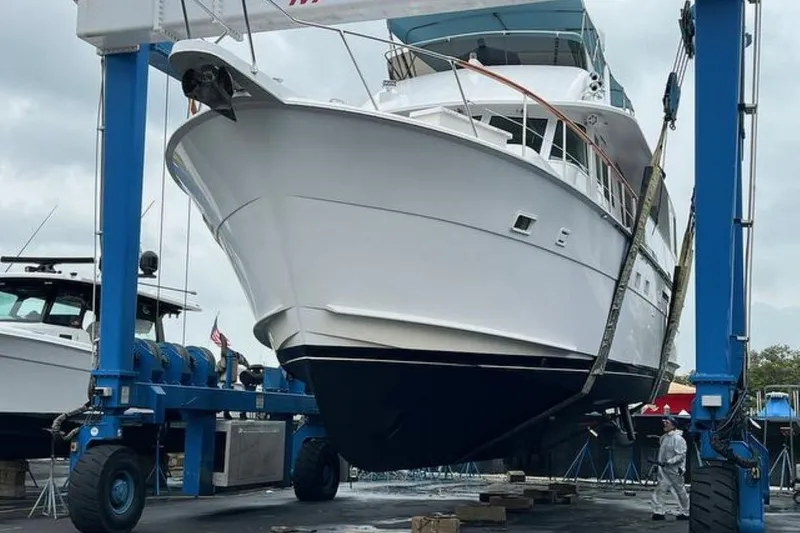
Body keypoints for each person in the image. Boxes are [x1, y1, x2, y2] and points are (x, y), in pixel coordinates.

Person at [650, 415, 690, 521]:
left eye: (667, 422)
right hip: (664, 469)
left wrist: (669, 462)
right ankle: (658, 512)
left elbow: (681, 455)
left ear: (673, 425)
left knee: (680, 491)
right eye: (664, 422)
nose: (664, 424)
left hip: (675, 470)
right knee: (660, 489)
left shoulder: (678, 439)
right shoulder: (664, 437)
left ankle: (685, 512)